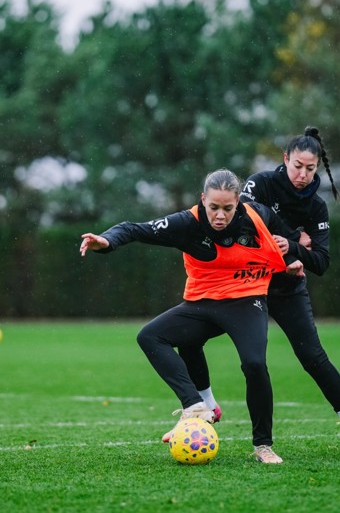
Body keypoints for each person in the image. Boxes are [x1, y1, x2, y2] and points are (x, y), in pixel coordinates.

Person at [79, 168, 304, 464]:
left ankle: (263, 445)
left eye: (227, 208)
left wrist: (292, 258)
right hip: (202, 302)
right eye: (213, 207)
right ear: (202, 200)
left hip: (246, 300)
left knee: (254, 364)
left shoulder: (258, 214)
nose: (220, 215)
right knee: (150, 336)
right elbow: (135, 228)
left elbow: (286, 239)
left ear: (239, 203)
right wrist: (106, 242)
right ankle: (195, 406)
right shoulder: (187, 223)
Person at [177, 126, 340, 459]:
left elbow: (321, 262)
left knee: (313, 358)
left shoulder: (317, 207)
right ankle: (208, 405)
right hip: (243, 283)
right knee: (187, 335)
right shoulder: (260, 183)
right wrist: (290, 247)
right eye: (297, 165)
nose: (302, 174)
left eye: (310, 169)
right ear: (285, 159)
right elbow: (246, 222)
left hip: (286, 290)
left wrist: (293, 248)